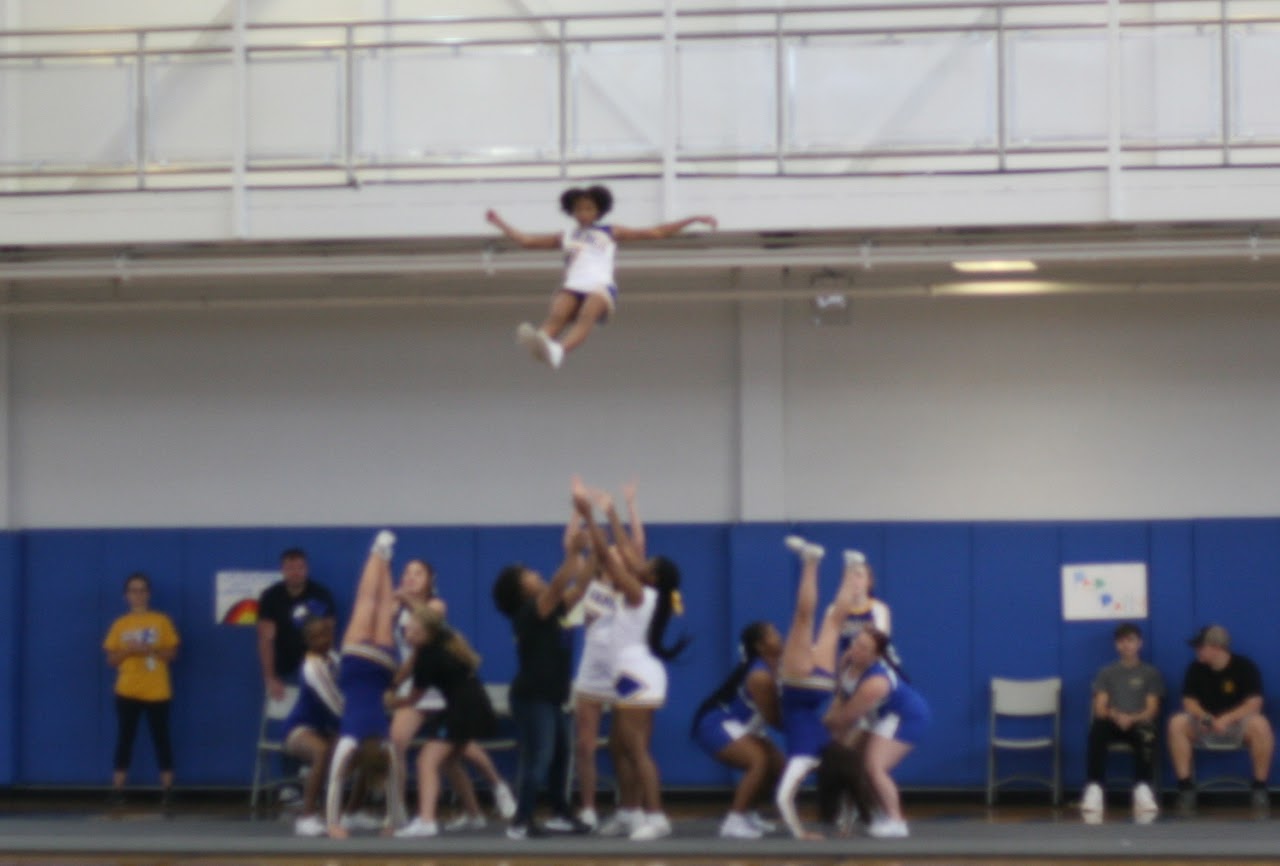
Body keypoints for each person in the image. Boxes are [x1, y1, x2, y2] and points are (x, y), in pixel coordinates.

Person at [485, 186, 718, 369]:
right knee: (559, 311)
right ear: (572, 212)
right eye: (578, 209)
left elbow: (655, 232)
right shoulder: (565, 235)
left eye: (588, 208)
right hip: (574, 284)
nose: (583, 213)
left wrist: (693, 219)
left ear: (598, 211)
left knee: (587, 313)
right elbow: (528, 242)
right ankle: (542, 341)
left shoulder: (609, 231)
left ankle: (560, 350)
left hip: (600, 285)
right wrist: (500, 223)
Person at [574, 479, 690, 841]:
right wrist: (612, 512)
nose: (637, 562)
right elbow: (623, 547)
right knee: (620, 747)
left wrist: (593, 517)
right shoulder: (647, 587)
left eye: (645, 563)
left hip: (638, 674)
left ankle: (657, 817)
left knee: (637, 748)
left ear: (651, 575)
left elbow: (609, 555)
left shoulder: (640, 593)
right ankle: (629, 812)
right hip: (628, 672)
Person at [388, 558, 515, 830]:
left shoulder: (435, 605)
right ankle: (399, 810)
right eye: (407, 573)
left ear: (429, 580)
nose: (410, 577)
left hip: (441, 687)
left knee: (458, 748)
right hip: (421, 681)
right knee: (398, 741)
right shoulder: (397, 609)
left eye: (418, 573)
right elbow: (408, 655)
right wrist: (396, 682)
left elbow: (427, 624)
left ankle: (496, 783)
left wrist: (404, 600)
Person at [491, 513, 593, 839]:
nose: (537, 575)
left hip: (553, 695)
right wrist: (573, 552)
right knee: (540, 756)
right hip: (532, 697)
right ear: (521, 589)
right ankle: (521, 822)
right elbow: (562, 581)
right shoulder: (530, 611)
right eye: (530, 574)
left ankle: (560, 814)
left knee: (562, 757)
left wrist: (595, 555)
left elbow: (580, 586)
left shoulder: (554, 606)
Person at [567, 481, 642, 830]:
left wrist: (623, 509)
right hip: (592, 669)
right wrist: (578, 509)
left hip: (624, 667)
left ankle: (634, 808)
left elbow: (634, 545)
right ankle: (587, 807)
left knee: (628, 745)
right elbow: (572, 545)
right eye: (608, 551)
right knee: (584, 744)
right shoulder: (590, 581)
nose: (613, 552)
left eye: (616, 551)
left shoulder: (631, 585)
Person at [773, 534, 859, 840]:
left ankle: (853, 567)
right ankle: (812, 561)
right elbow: (782, 799)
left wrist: (844, 826)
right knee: (803, 618)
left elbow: (849, 786)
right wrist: (800, 834)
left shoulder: (829, 750)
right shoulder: (805, 757)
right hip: (798, 687)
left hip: (820, 687)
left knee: (833, 621)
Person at [324, 531, 407, 838]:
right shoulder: (348, 743)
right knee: (367, 602)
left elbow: (393, 784)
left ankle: (384, 557)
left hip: (382, 665)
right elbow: (335, 783)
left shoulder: (385, 743)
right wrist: (333, 824)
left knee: (382, 608)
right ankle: (377, 552)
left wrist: (391, 824)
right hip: (357, 663)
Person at [393, 606, 499, 838]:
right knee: (448, 761)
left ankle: (426, 820)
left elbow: (415, 698)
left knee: (425, 761)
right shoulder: (445, 640)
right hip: (476, 706)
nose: (405, 634)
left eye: (410, 630)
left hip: (462, 711)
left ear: (424, 632)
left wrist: (391, 702)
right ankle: (475, 815)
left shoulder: (427, 656)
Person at [823, 627, 930, 839]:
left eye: (864, 648)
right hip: (879, 716)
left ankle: (897, 822)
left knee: (875, 767)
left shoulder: (875, 683)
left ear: (875, 656)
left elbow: (846, 718)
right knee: (857, 762)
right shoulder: (847, 661)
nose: (856, 649)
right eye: (855, 642)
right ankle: (879, 814)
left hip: (904, 717)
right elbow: (840, 696)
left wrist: (817, 728)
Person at [690, 621, 784, 839]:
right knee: (758, 760)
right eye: (772, 634)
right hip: (716, 723)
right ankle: (733, 820)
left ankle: (749, 813)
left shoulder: (776, 666)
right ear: (760, 647)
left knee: (778, 766)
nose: (779, 636)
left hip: (742, 725)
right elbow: (774, 719)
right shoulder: (759, 676)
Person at [1168, 624, 1273, 816]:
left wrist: (1227, 719)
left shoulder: (1245, 667)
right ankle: (1186, 789)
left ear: (1216, 648)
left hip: (1237, 726)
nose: (1196, 651)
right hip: (1205, 725)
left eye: (1200, 647)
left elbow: (1254, 703)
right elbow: (1189, 702)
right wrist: (1206, 717)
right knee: (1177, 723)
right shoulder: (1195, 669)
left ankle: (1259, 788)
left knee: (1261, 724)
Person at [103, 572, 181, 806]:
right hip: (127, 689)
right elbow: (111, 660)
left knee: (162, 738)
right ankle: (117, 789)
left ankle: (168, 788)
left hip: (157, 690)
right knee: (125, 738)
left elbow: (172, 654)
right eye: (133, 591)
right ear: (126, 595)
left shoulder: (161, 621)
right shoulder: (120, 624)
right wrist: (129, 650)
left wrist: (149, 650)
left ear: (149, 594)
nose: (138, 595)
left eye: (142, 590)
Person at [1079, 622, 1164, 824]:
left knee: (1147, 733)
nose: (1126, 646)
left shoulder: (1150, 673)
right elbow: (1100, 707)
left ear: (1139, 643)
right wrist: (1116, 715)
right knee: (1097, 730)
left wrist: (1132, 718)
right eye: (1122, 642)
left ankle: (1142, 788)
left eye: (1131, 641)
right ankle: (1095, 788)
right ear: (1116, 645)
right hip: (1113, 719)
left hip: (1138, 721)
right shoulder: (1106, 673)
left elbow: (1152, 709)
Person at [282, 616, 342, 836]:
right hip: (298, 729)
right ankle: (306, 817)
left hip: (326, 728)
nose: (322, 640)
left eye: (325, 634)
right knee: (322, 751)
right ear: (307, 642)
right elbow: (337, 706)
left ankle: (351, 811)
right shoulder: (312, 667)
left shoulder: (335, 658)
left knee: (359, 749)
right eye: (315, 637)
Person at [257, 547, 337, 702]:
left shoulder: (321, 595)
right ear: (282, 570)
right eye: (290, 568)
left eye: (300, 568)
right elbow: (265, 640)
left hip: (314, 666)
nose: (295, 573)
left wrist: (324, 674)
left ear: (307, 569)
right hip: (283, 669)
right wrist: (270, 678)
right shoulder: (270, 597)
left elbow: (329, 636)